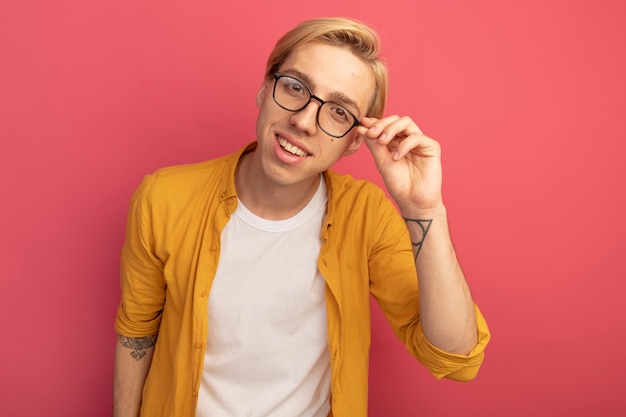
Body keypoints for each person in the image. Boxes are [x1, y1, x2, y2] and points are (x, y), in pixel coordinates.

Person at [113, 16, 490, 417]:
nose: (304, 121)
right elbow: (137, 331)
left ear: (353, 143)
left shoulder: (366, 216)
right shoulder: (164, 198)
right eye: (295, 88)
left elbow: (457, 357)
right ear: (264, 89)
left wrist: (423, 208)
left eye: (339, 112)